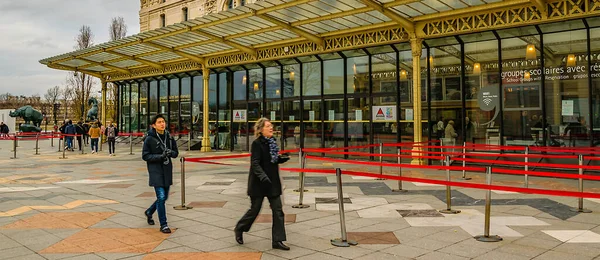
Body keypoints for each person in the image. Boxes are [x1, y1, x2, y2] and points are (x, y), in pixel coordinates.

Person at [235, 118, 290, 251]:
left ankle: (277, 240)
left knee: (278, 211)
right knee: (255, 210)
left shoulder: (272, 143)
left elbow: (272, 160)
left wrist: (281, 159)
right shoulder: (256, 144)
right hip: (259, 183)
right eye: (268, 126)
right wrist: (263, 176)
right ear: (260, 130)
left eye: (271, 125)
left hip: (272, 183)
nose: (271, 128)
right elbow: (255, 163)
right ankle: (240, 228)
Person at [142, 114, 178, 234]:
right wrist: (160, 156)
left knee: (164, 197)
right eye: (159, 122)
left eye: (163, 121)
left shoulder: (169, 137)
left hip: (167, 170)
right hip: (155, 170)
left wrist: (170, 152)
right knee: (161, 197)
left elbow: (176, 153)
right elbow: (145, 156)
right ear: (153, 125)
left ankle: (149, 212)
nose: (162, 124)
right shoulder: (149, 138)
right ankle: (164, 224)